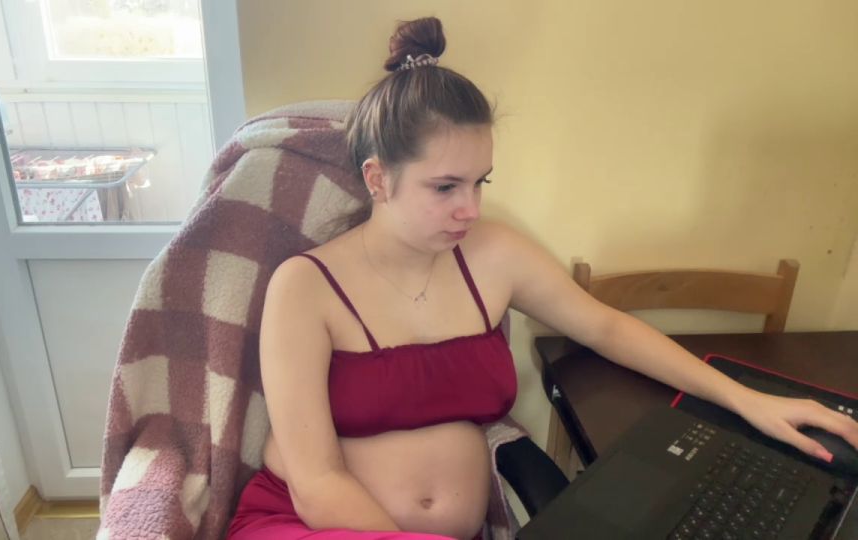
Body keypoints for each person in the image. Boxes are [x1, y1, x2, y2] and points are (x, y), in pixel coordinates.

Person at [226, 17, 858, 540]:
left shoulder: (492, 252)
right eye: (445, 187)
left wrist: (748, 400)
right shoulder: (304, 287)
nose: (470, 209)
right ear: (377, 179)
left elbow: (605, 328)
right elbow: (317, 485)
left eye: (480, 182)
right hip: (309, 524)